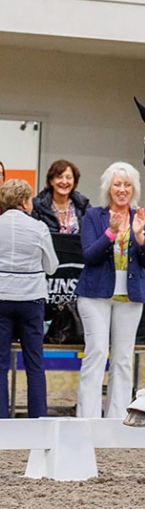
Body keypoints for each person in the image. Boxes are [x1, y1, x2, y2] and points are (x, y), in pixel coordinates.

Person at [75, 161, 145, 418]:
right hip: (94, 295)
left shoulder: (142, 217)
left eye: (127, 184)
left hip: (130, 297)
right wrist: (110, 233)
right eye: (117, 184)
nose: (122, 189)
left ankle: (117, 418)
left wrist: (141, 237)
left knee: (122, 359)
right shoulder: (93, 216)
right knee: (97, 352)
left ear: (134, 188)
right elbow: (90, 255)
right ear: (108, 188)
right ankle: (87, 418)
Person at [0, 179, 59, 418]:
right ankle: (38, 420)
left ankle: (2, 421)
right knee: (35, 365)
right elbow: (52, 267)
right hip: (31, 300)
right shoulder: (39, 228)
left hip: (2, 296)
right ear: (25, 201)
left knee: (0, 366)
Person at [32, 159, 91, 234]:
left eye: (68, 177)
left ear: (74, 181)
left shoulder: (83, 205)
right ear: (51, 181)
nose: (64, 182)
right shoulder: (38, 206)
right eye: (59, 177)